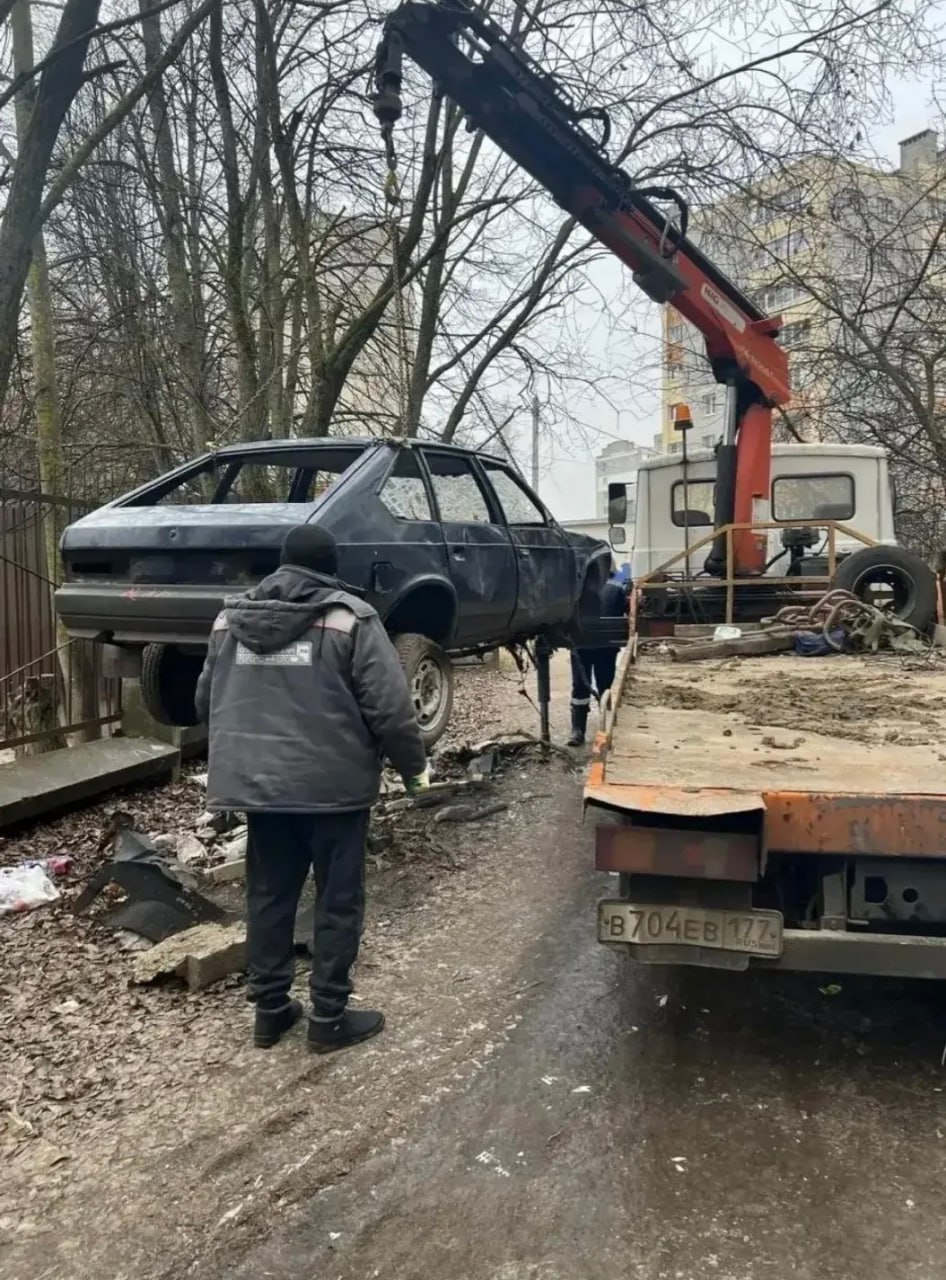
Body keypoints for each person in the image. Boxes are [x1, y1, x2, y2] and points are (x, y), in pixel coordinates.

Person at [195, 524, 428, 1053]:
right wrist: (414, 769)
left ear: (281, 564)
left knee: (270, 896)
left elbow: (204, 701)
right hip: (334, 790)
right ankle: (328, 1017)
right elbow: (390, 710)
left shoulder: (229, 620)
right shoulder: (349, 618)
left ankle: (271, 1012)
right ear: (330, 568)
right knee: (337, 901)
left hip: (260, 790)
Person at [567, 571, 628, 747]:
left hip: (581, 647)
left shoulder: (574, 589)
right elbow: (629, 614)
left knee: (580, 688)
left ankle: (577, 731)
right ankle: (607, 729)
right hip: (607, 648)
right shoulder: (617, 588)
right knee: (606, 686)